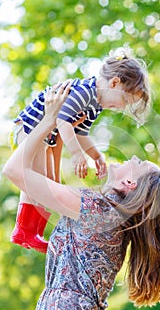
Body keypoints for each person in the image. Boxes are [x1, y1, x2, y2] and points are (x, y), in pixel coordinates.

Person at [3, 83, 160, 310]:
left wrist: (46, 121)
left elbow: (13, 171)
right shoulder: (107, 216)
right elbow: (50, 187)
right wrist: (57, 132)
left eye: (139, 162)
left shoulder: (96, 210)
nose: (132, 158)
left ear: (129, 184)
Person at [10, 53, 151, 253]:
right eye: (125, 100)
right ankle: (24, 231)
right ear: (114, 83)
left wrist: (95, 155)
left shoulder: (96, 104)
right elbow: (63, 120)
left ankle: (34, 232)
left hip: (45, 135)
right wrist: (76, 153)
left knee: (51, 180)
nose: (122, 108)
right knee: (38, 179)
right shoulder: (86, 92)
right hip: (31, 128)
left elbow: (80, 131)